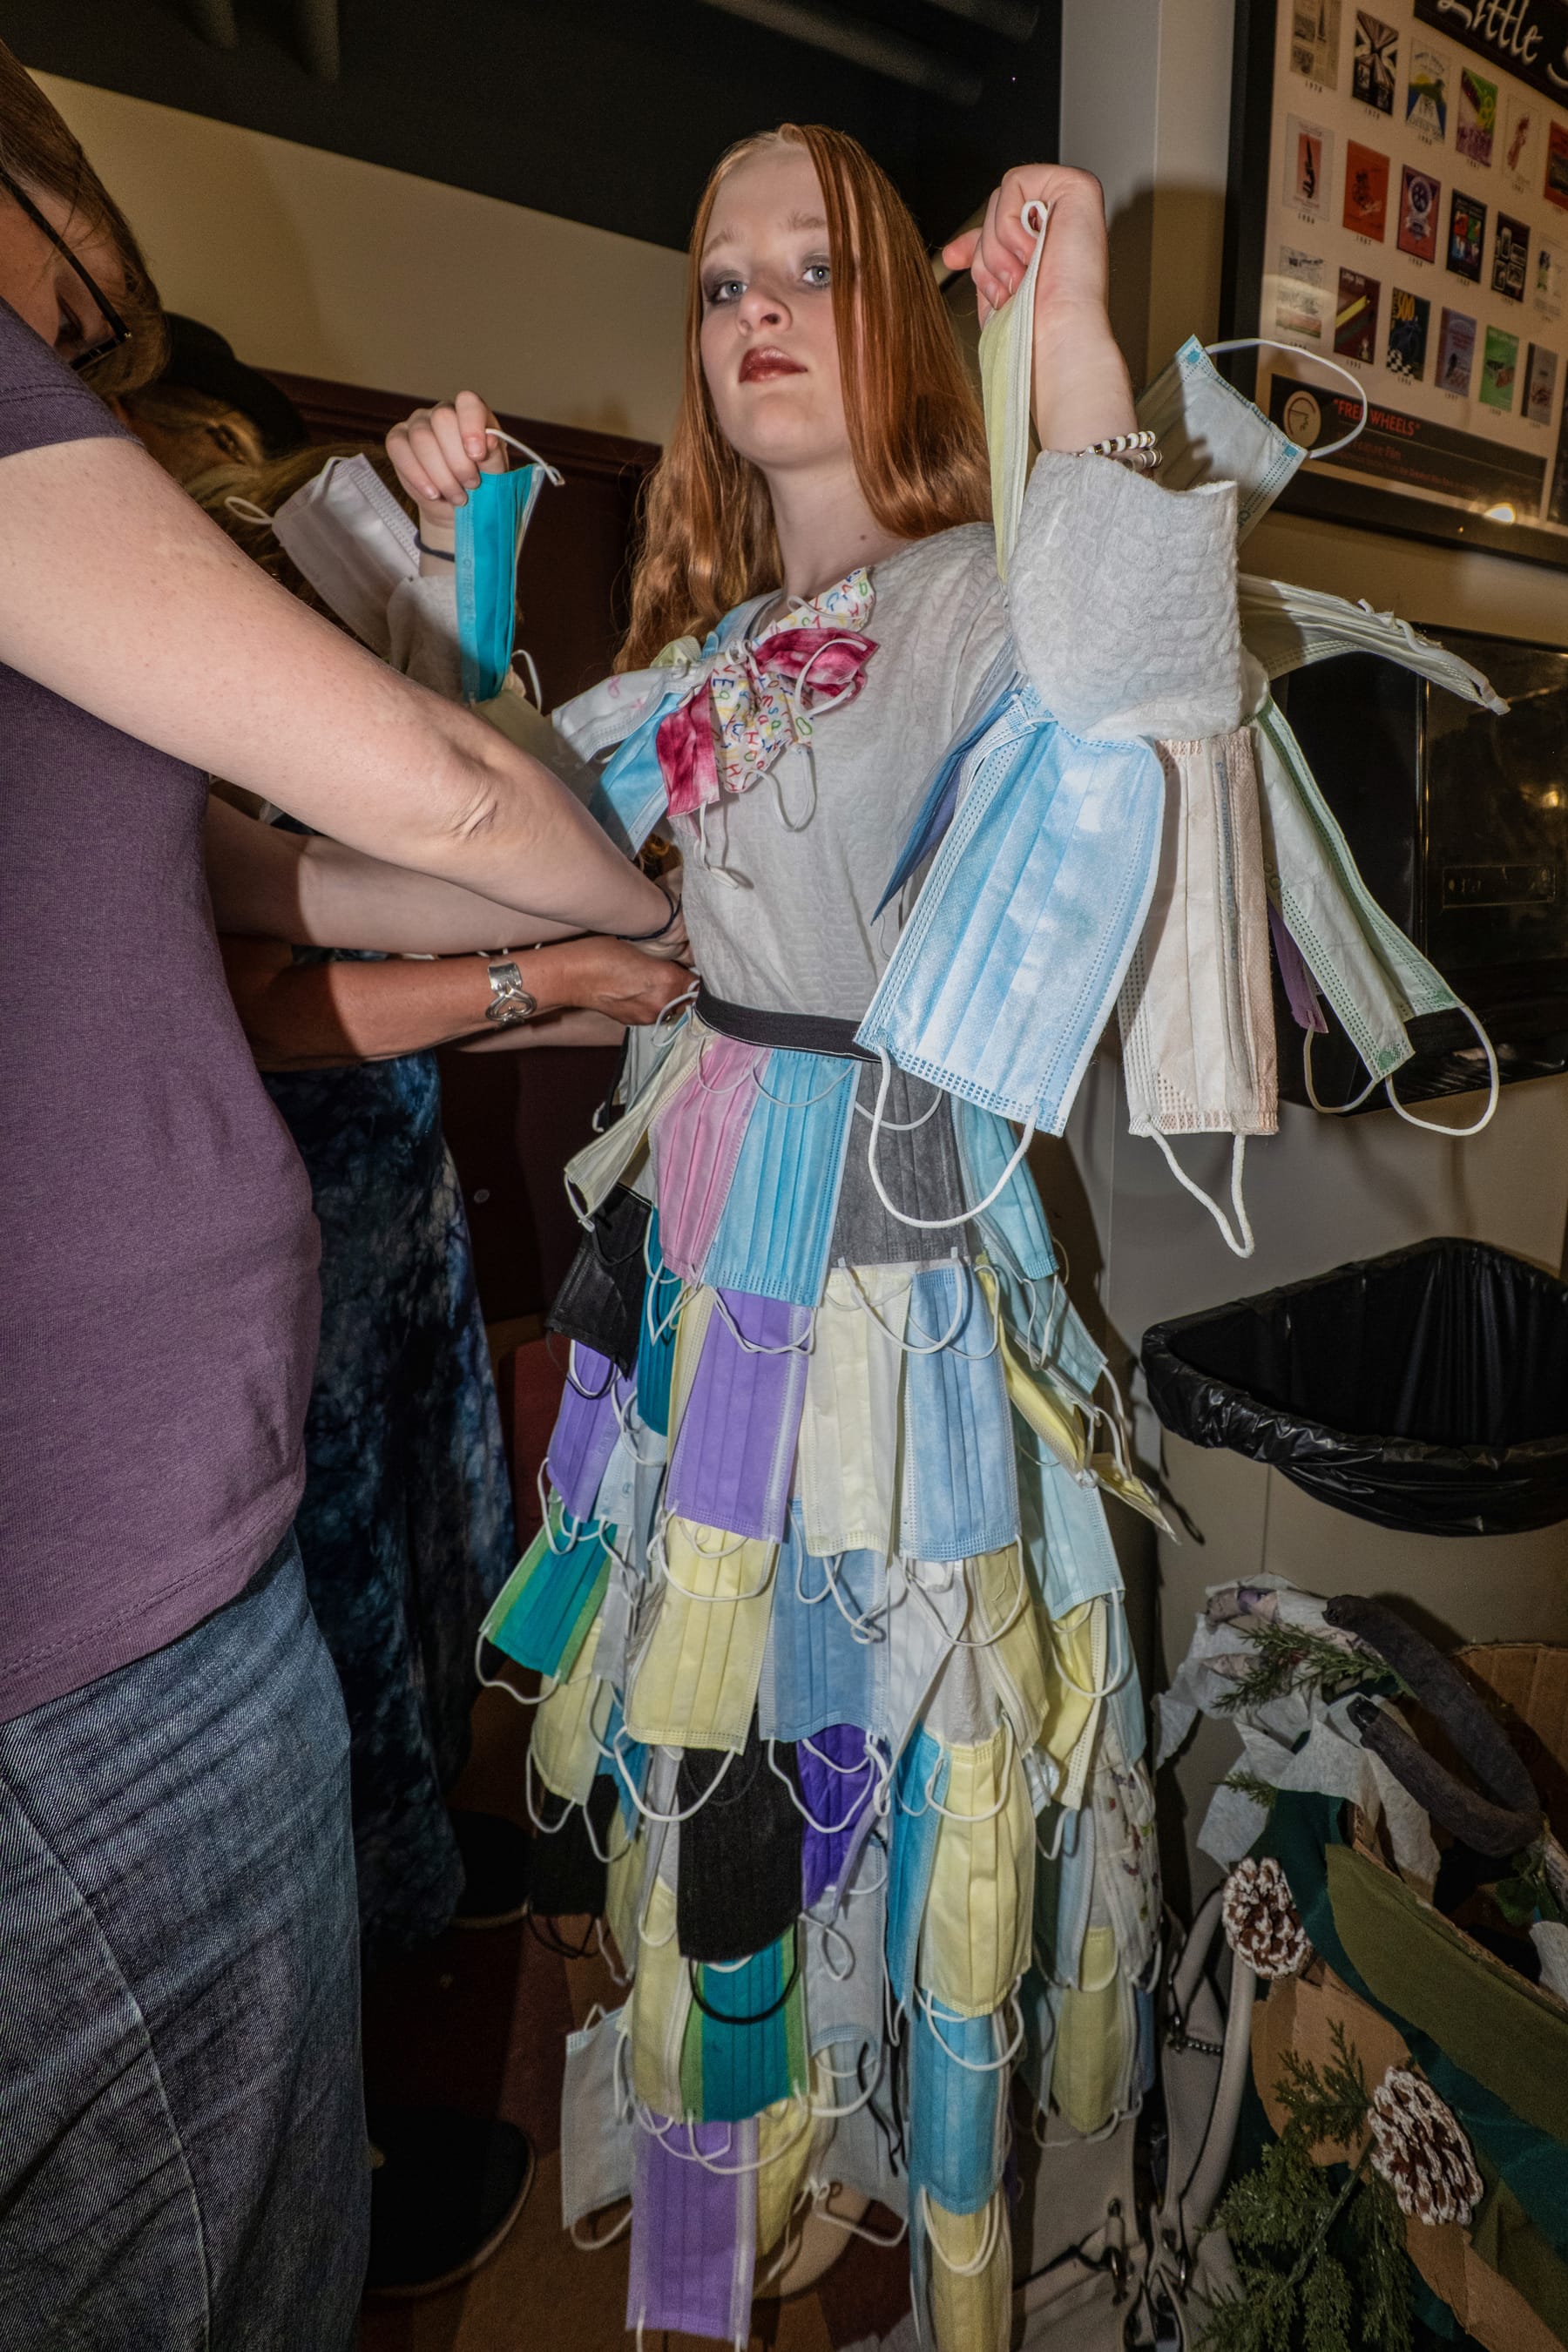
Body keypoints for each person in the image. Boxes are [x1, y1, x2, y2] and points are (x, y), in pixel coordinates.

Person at [382, 126, 1228, 2347]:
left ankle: (880, 2193)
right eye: (721, 282)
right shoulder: (719, 650)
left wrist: (1070, 326)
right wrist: (459, 563)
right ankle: (743, 2178)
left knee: (912, 1727)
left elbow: (1138, 679)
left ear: (904, 325)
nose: (755, 310)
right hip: (712, 1260)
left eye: (811, 270)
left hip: (894, 1291)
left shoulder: (976, 601)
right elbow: (501, 835)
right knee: (721, 1735)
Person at [0, 44, 678, 2351]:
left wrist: (541, 942)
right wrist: (613, 919)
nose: (75, 341)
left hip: (155, 1489)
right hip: (90, 1591)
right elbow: (398, 812)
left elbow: (284, 868)